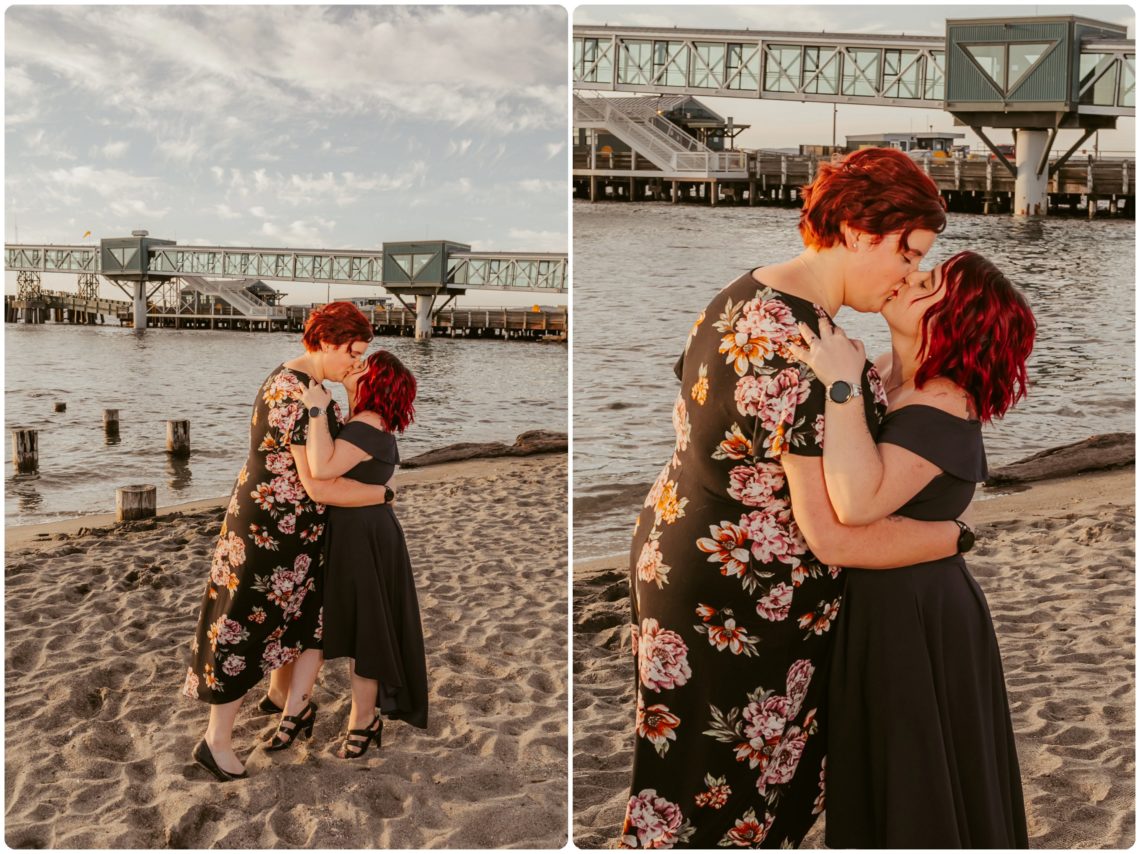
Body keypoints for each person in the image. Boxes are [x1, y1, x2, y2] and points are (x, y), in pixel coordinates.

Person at [619, 148, 970, 849]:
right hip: (742, 601)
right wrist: (954, 538)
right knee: (731, 809)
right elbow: (831, 535)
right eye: (908, 252)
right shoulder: (809, 349)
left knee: (680, 785)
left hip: (677, 552)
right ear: (857, 229)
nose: (910, 272)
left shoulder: (746, 292)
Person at [789, 251, 1034, 847]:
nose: (909, 278)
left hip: (917, 615)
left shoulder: (944, 400)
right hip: (887, 602)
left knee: (915, 782)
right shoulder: (886, 375)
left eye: (928, 285)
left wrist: (841, 384)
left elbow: (856, 501)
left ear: (953, 321)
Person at [184, 302, 393, 782]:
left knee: (295, 624)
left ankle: (287, 704)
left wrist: (349, 388)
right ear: (325, 341)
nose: (357, 363)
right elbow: (318, 482)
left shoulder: (308, 384)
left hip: (289, 530)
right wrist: (382, 494)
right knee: (241, 629)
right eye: (352, 352)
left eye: (362, 354)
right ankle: (215, 743)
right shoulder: (295, 395)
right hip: (269, 533)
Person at [300, 349, 429, 759]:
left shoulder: (368, 425)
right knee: (361, 631)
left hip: (365, 536)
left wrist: (317, 412)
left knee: (368, 634)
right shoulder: (364, 423)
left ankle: (362, 721)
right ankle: (359, 717)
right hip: (363, 533)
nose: (356, 365)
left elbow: (321, 469)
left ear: (376, 383)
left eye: (365, 366)